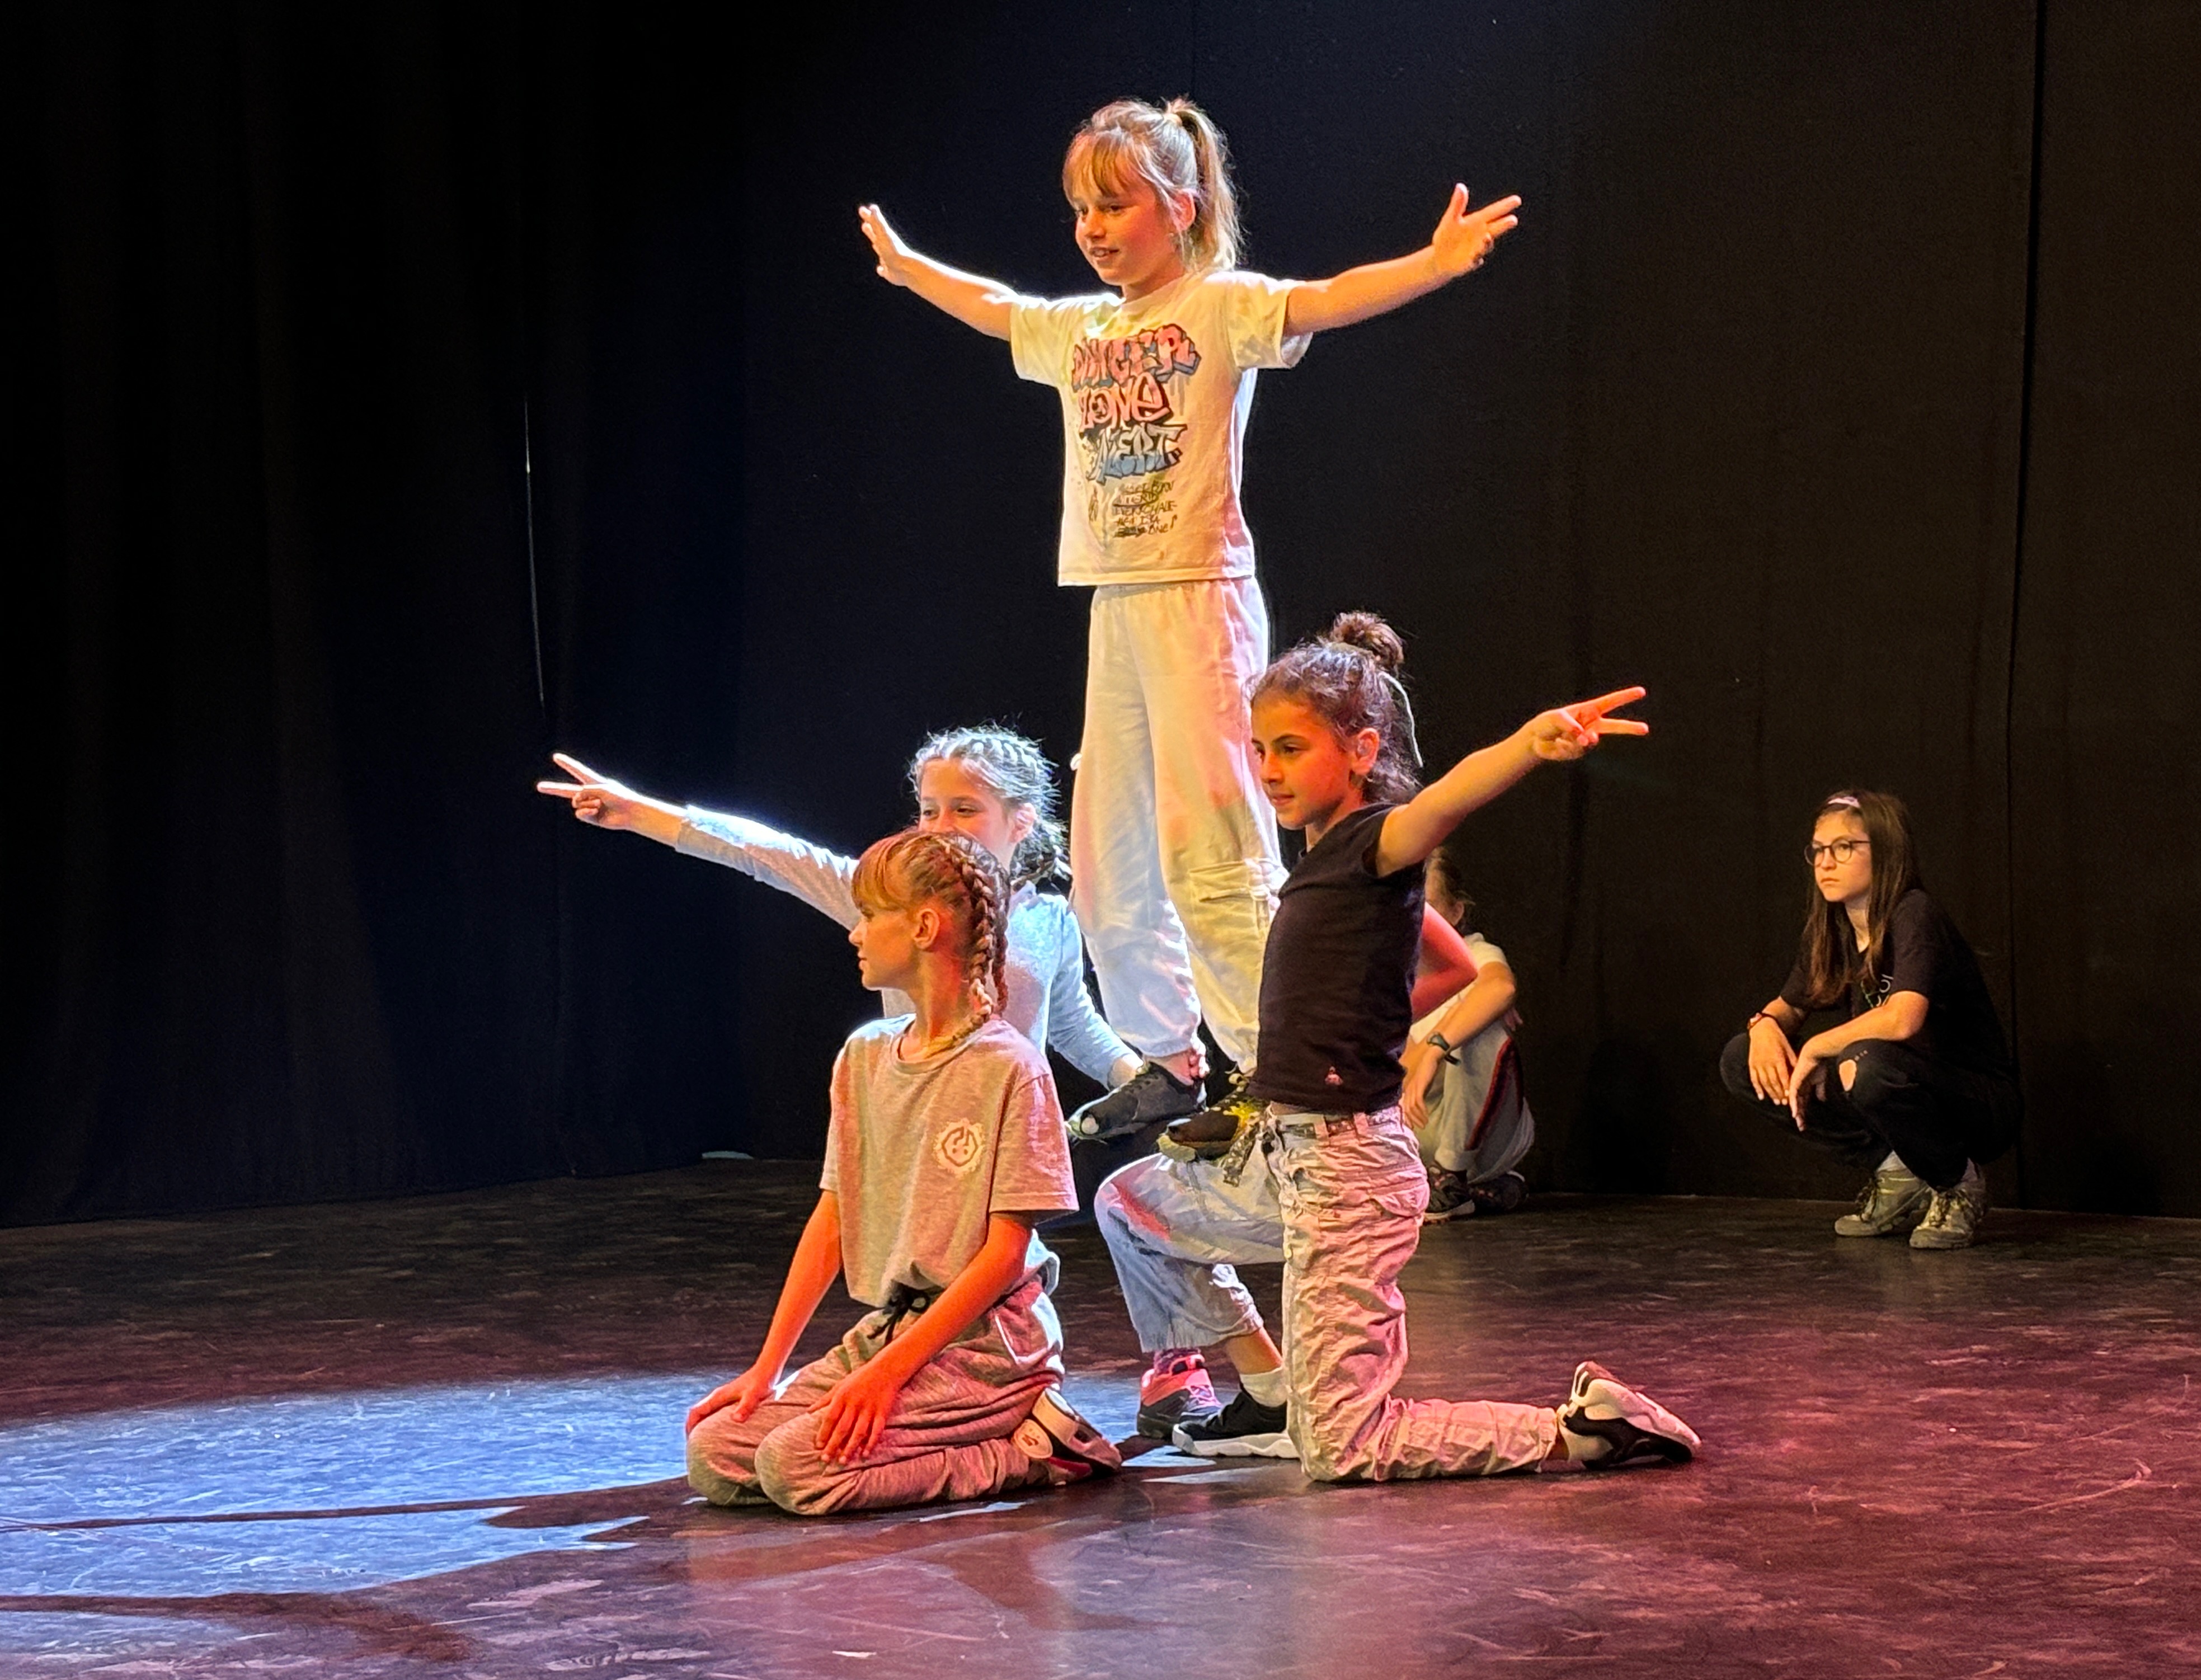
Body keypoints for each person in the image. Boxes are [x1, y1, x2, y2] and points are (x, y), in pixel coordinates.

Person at [856, 97, 1522, 1108]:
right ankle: (1169, 1057)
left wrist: (1432, 264)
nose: (1092, 229)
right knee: (1107, 862)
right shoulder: (1084, 327)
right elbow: (998, 305)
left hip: (1199, 600)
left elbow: (1323, 299)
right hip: (1116, 602)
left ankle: (1272, 1061)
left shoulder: (1216, 305)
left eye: (1114, 206)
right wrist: (910, 270)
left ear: (1181, 206)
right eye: (1080, 210)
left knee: (1211, 851)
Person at [1093, 613, 1699, 1478]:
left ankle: (1582, 1430)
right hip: (1285, 1155)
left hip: (1346, 1175)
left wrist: (1530, 743)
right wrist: (1355, 1028)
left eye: (1291, 749)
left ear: (1362, 751)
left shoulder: (1374, 842)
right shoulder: (1326, 868)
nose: (1269, 771)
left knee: (1343, 1447)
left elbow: (1443, 803)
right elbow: (1452, 968)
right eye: (1260, 750)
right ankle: (1269, 1390)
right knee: (1130, 1206)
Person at [680, 829, 1118, 1514]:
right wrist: (767, 1370)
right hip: (895, 1330)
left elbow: (1005, 1255)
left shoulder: (1009, 1068)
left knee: (795, 1469)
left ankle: (1029, 1451)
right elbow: (833, 1218)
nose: (855, 934)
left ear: (923, 927)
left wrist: (885, 1378)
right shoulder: (864, 1056)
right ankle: (922, 1422)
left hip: (987, 1349)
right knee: (718, 1454)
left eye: (869, 915)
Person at [536, 726, 1199, 1137]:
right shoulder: (887, 896)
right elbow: (769, 853)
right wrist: (640, 812)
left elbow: (1072, 1025)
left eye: (965, 810)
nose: (941, 826)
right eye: (929, 810)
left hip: (1008, 1127)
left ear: (1018, 822)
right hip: (914, 1119)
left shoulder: (1049, 919)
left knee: (1005, 1283)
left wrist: (1152, 1081)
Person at [1720, 790, 2020, 1250]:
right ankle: (1895, 1171)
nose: (1826, 862)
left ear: (1885, 851)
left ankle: (1958, 1183)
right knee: (1742, 1057)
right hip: (1887, 1082)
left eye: (1844, 847)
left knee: (1865, 1061)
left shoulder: (1914, 913)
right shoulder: (1834, 929)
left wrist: (1818, 1046)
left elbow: (1903, 1019)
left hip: (1974, 1102)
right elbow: (1789, 1006)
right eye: (1818, 850)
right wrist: (1763, 1026)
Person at [1399, 846, 1535, 1221]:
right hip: (1417, 1131)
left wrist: (1434, 1050)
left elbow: (1500, 989)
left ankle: (1451, 1176)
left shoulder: (1475, 953)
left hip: (1488, 1139)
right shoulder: (1384, 972)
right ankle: (1484, 1187)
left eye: (1427, 907)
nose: (1414, 919)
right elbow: (1395, 1075)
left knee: (1484, 1024)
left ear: (1455, 913)